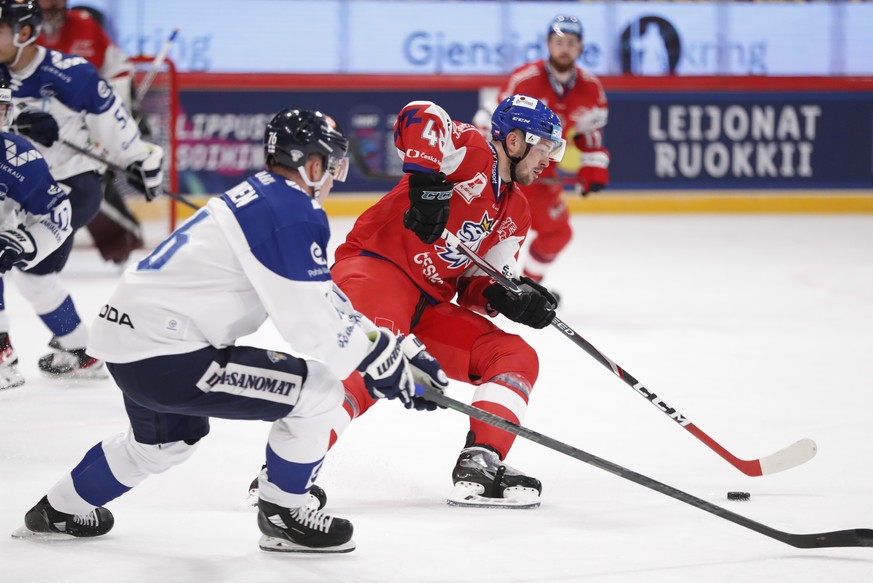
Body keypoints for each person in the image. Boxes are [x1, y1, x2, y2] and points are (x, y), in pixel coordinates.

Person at [14, 108, 448, 554]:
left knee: (163, 444)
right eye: (333, 164)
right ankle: (284, 513)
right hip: (168, 354)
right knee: (318, 391)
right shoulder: (293, 211)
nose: (335, 177)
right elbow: (312, 325)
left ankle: (59, 509)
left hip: (128, 343)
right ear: (312, 165)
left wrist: (385, 350)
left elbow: (321, 298)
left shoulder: (262, 197)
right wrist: (381, 362)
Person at [328, 94, 562, 509]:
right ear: (513, 141)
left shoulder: (517, 211)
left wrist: (508, 297)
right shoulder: (469, 152)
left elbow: (476, 280)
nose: (549, 160)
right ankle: (287, 469)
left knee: (513, 355)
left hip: (427, 305)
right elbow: (417, 115)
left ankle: (482, 460)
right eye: (543, 147)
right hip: (377, 273)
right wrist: (426, 182)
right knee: (375, 363)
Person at [0, 0, 163, 379]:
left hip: (67, 188)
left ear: (24, 34)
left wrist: (139, 161)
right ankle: (77, 348)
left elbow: (115, 124)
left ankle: (47, 350)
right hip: (14, 187)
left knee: (31, 275)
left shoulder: (70, 74)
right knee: (34, 279)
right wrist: (19, 121)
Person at [475, 15, 609, 288]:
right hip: (504, 171)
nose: (564, 48)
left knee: (557, 233)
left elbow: (589, 131)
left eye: (571, 43)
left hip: (542, 173)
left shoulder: (591, 88)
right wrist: (480, 162)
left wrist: (593, 165)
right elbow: (490, 120)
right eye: (558, 41)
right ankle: (476, 286)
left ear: (580, 48)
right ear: (548, 44)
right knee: (483, 233)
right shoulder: (525, 80)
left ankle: (527, 284)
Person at [38, 0, 145, 264]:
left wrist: (125, 108)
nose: (54, 5)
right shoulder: (19, 31)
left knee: (88, 186)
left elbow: (118, 69)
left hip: (82, 132)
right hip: (32, 132)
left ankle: (119, 241)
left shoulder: (85, 24)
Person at [0, 72, 73, 390]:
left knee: (38, 281)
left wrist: (25, 241)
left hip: (77, 188)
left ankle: (3, 352)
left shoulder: (16, 155)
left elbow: (59, 215)